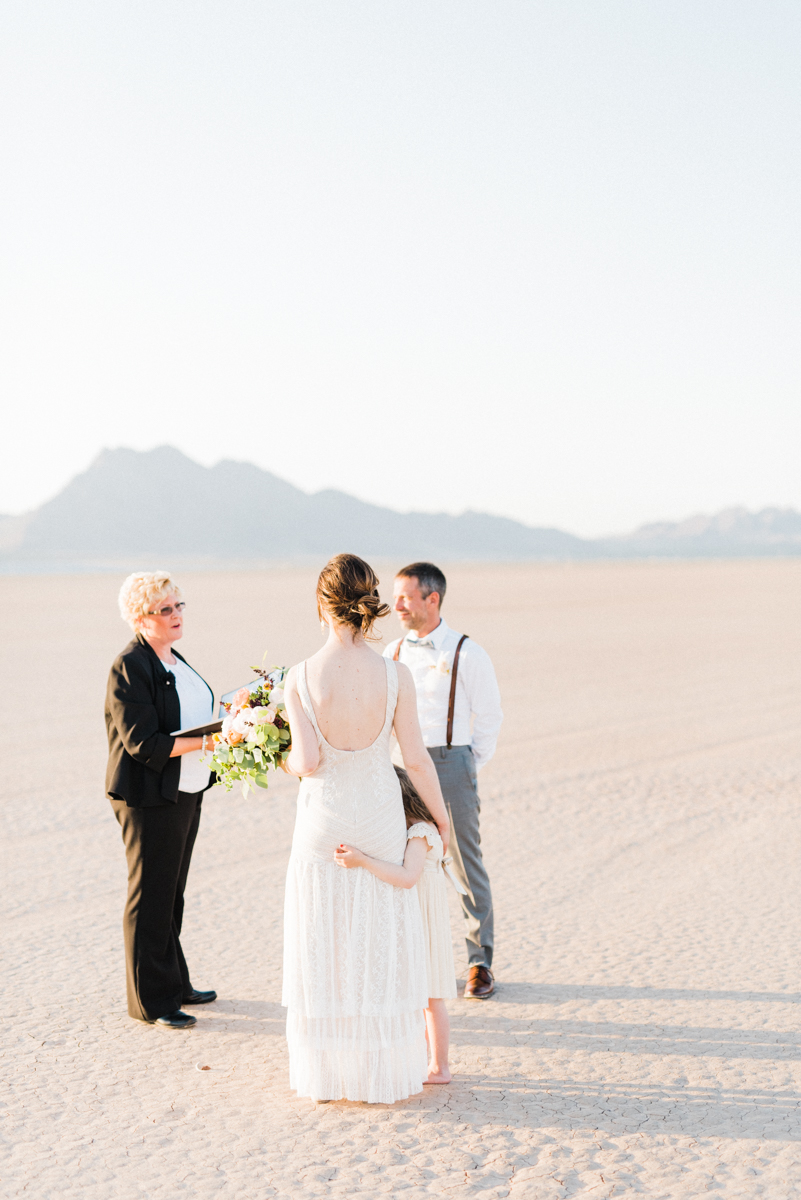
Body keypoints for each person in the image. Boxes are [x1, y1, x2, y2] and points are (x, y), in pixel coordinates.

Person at [281, 553, 450, 1103]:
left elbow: (306, 762)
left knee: (325, 938)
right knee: (381, 936)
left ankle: (329, 1074)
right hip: (378, 816)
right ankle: (386, 1068)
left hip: (324, 822)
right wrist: (440, 820)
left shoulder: (299, 677)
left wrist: (281, 759)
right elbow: (418, 760)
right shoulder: (393, 672)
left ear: (322, 605)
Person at [105, 571, 218, 1029]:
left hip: (186, 789)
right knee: (149, 895)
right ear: (139, 617)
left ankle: (174, 982)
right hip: (149, 796)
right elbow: (143, 743)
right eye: (164, 609)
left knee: (172, 893)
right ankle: (152, 1002)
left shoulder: (173, 658)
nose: (176, 615)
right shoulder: (130, 665)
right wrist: (210, 741)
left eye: (179, 605)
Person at [386, 562, 503, 1000]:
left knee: (464, 863)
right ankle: (412, 959)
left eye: (405, 596)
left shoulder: (466, 652)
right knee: (402, 861)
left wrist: (465, 764)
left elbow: (489, 716)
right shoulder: (392, 654)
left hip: (451, 764)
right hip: (400, 769)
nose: (396, 604)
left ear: (432, 599)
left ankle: (479, 961)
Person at [335, 766, 458, 1084]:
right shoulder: (420, 828)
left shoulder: (419, 831)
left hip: (424, 921)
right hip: (420, 917)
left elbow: (407, 877)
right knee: (424, 997)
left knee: (431, 997)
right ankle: (430, 1062)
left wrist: (362, 860)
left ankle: (440, 1067)